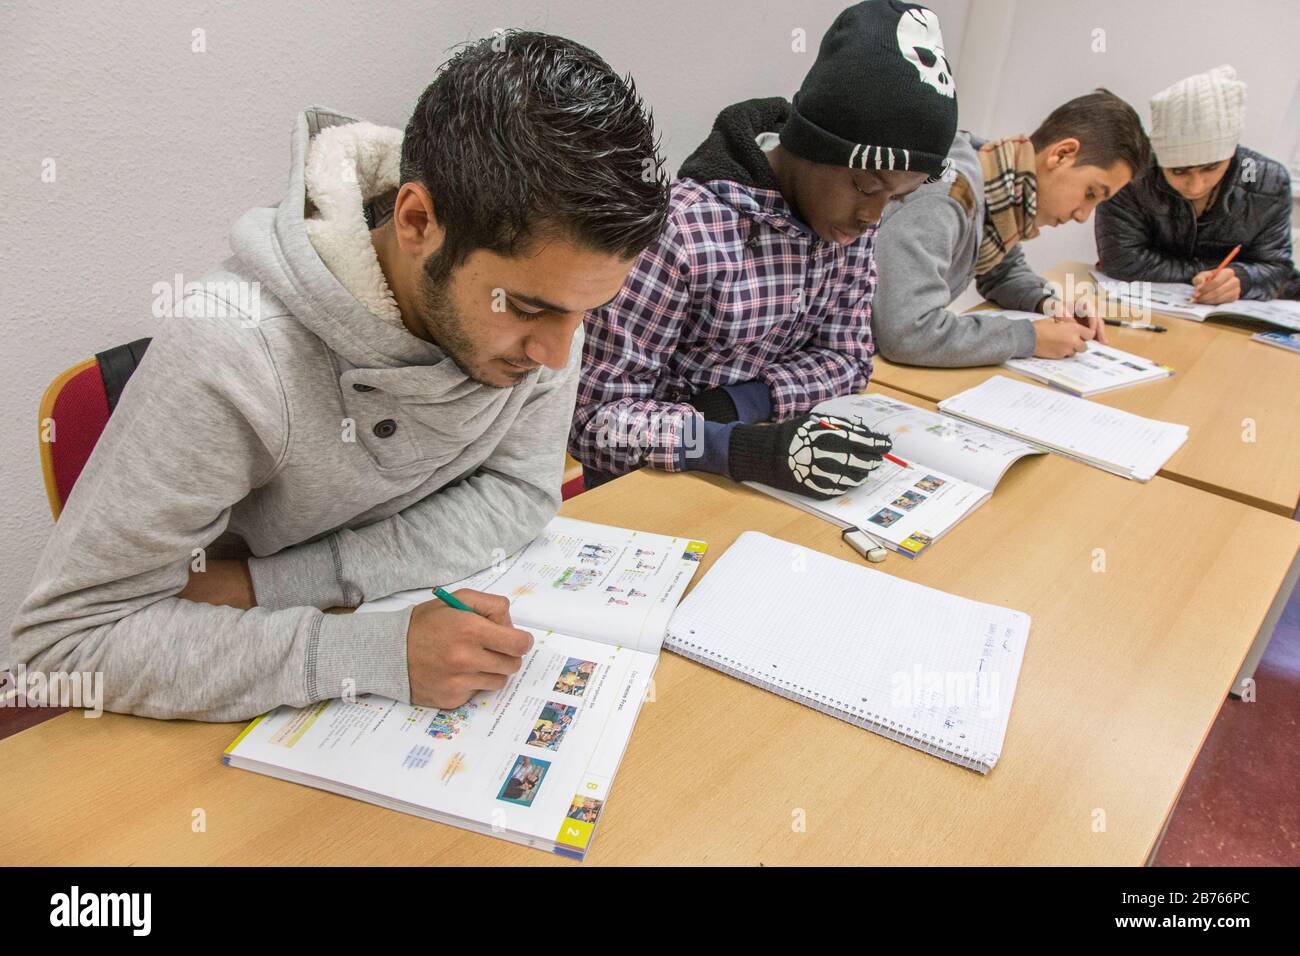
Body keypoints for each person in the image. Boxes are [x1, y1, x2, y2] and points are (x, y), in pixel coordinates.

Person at [10, 32, 669, 721]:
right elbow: (60, 648)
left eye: (587, 312)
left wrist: (270, 584)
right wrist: (366, 653)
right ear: (418, 221)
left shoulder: (547, 295)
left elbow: (519, 493)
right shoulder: (231, 349)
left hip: (296, 628)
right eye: (530, 308)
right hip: (222, 713)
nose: (558, 356)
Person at [569, 0, 961, 497]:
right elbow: (596, 420)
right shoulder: (682, 231)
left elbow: (849, 360)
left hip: (774, 464)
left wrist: (739, 405)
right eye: (867, 186)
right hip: (653, 489)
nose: (874, 217)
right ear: (815, 144)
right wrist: (731, 444)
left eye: (898, 196)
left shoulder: (849, 227)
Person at [871, 89, 1151, 367]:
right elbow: (908, 332)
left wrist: (1051, 304)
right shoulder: (948, 197)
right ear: (1062, 154)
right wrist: (1029, 338)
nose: (1083, 216)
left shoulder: (997, 186)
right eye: (1091, 193)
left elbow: (1002, 272)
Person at [1096, 65, 1298, 304]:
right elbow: (1121, 260)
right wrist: (1214, 272)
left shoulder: (1268, 182)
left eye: (1211, 168)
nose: (1195, 186)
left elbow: (1278, 269)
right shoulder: (1134, 175)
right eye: (1178, 171)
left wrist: (1241, 279)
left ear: (1231, 154)